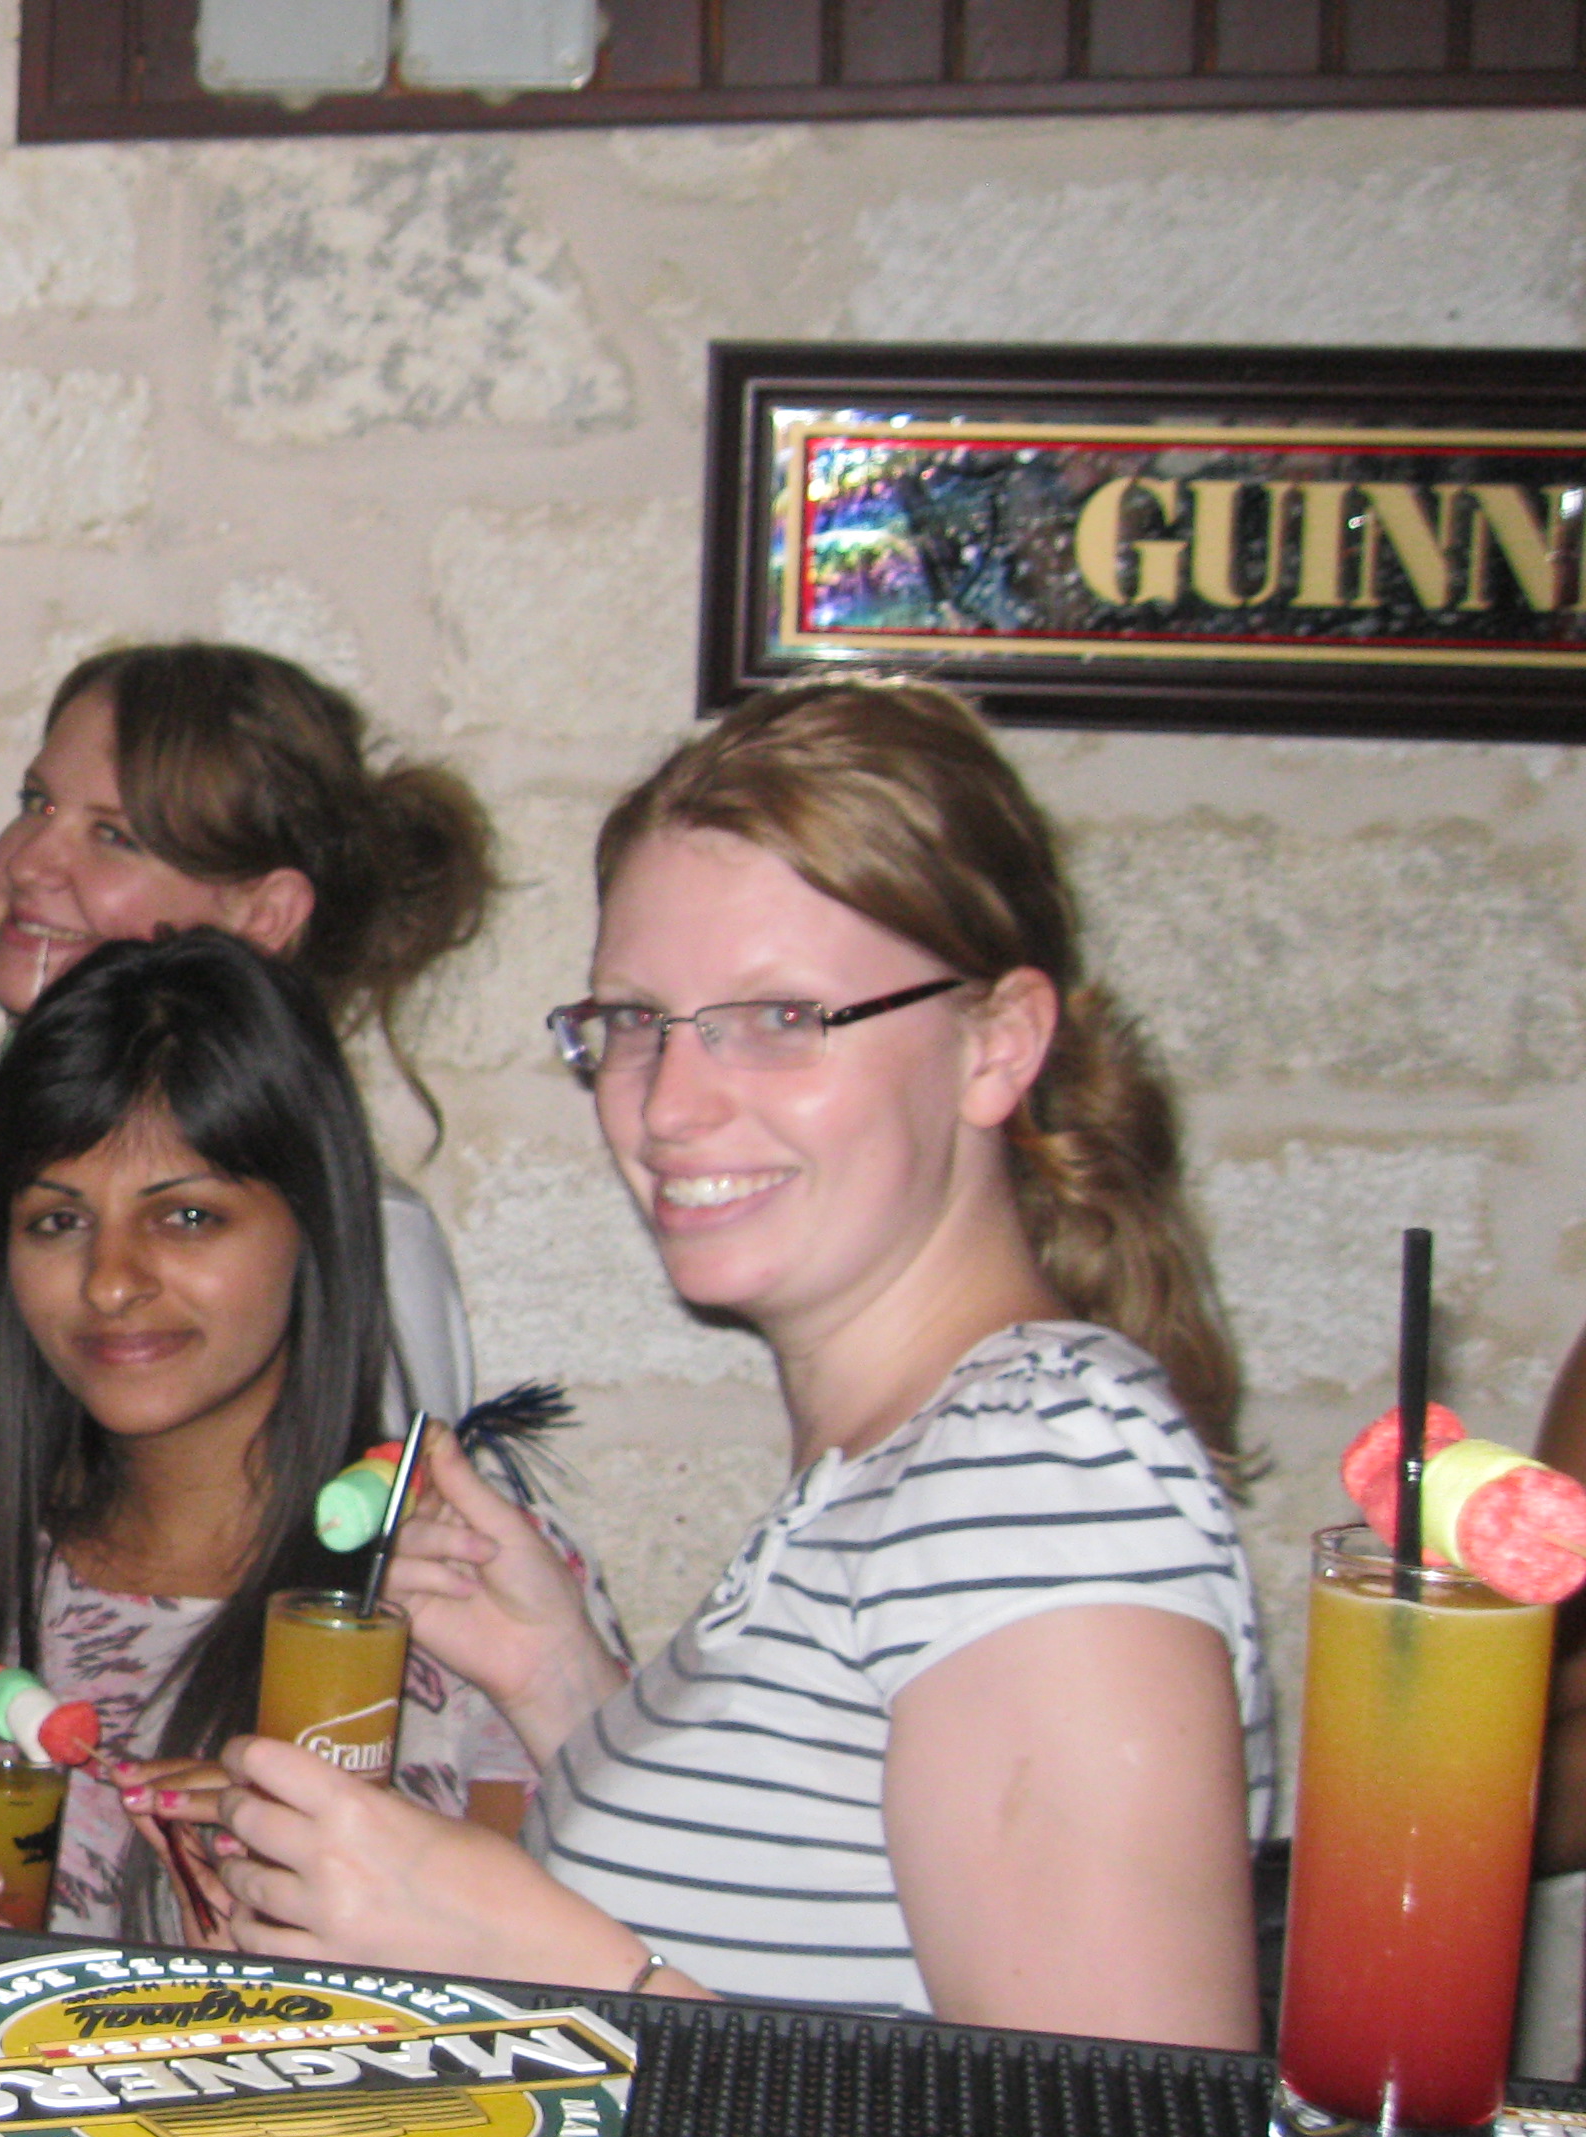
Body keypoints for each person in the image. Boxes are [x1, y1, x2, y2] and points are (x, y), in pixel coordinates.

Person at [212, 679, 1273, 2046]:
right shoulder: (896, 1475)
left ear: (996, 1045)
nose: (668, 1103)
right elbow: (814, 1953)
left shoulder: (1040, 1474)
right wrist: (567, 1689)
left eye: (778, 1019)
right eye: (633, 1021)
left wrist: (543, 1964)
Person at [0, 931, 615, 1938]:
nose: (111, 1281)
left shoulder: (467, 1585)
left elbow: (564, 1999)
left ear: (313, 1222)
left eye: (187, 1217)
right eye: (58, 1221)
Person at [0, 643, 493, 1421]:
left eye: (114, 836)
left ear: (263, 916)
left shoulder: (365, 1240)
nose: (28, 862)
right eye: (37, 804)